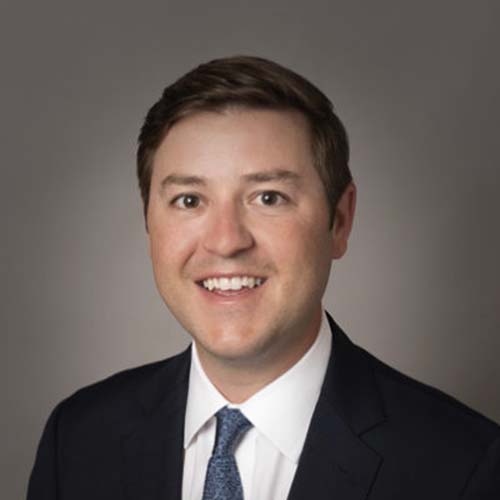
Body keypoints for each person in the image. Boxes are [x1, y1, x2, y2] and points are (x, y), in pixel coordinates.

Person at [28, 56, 500, 500]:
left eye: (268, 197)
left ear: (339, 221)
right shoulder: (77, 438)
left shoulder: (465, 466)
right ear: (148, 221)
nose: (226, 241)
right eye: (189, 200)